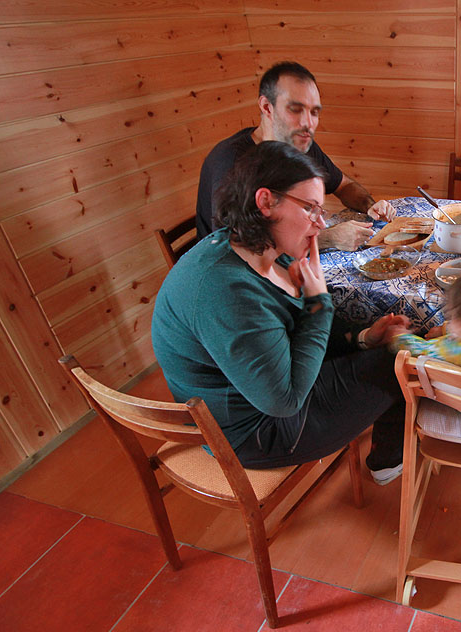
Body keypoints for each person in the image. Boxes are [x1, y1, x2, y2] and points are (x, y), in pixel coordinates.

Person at [154, 140, 409, 485]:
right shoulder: (223, 289)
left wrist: (363, 337)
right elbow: (284, 399)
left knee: (384, 344)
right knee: (400, 363)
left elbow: (291, 330)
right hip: (251, 431)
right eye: (310, 209)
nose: (321, 224)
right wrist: (318, 305)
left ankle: (387, 453)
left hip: (268, 388)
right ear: (265, 202)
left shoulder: (264, 248)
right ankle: (388, 462)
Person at [195, 61, 395, 251]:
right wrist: (328, 238)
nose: (308, 123)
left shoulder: (299, 144)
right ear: (267, 107)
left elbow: (344, 185)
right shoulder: (231, 161)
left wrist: (370, 205)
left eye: (314, 112)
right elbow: (238, 248)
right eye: (296, 110)